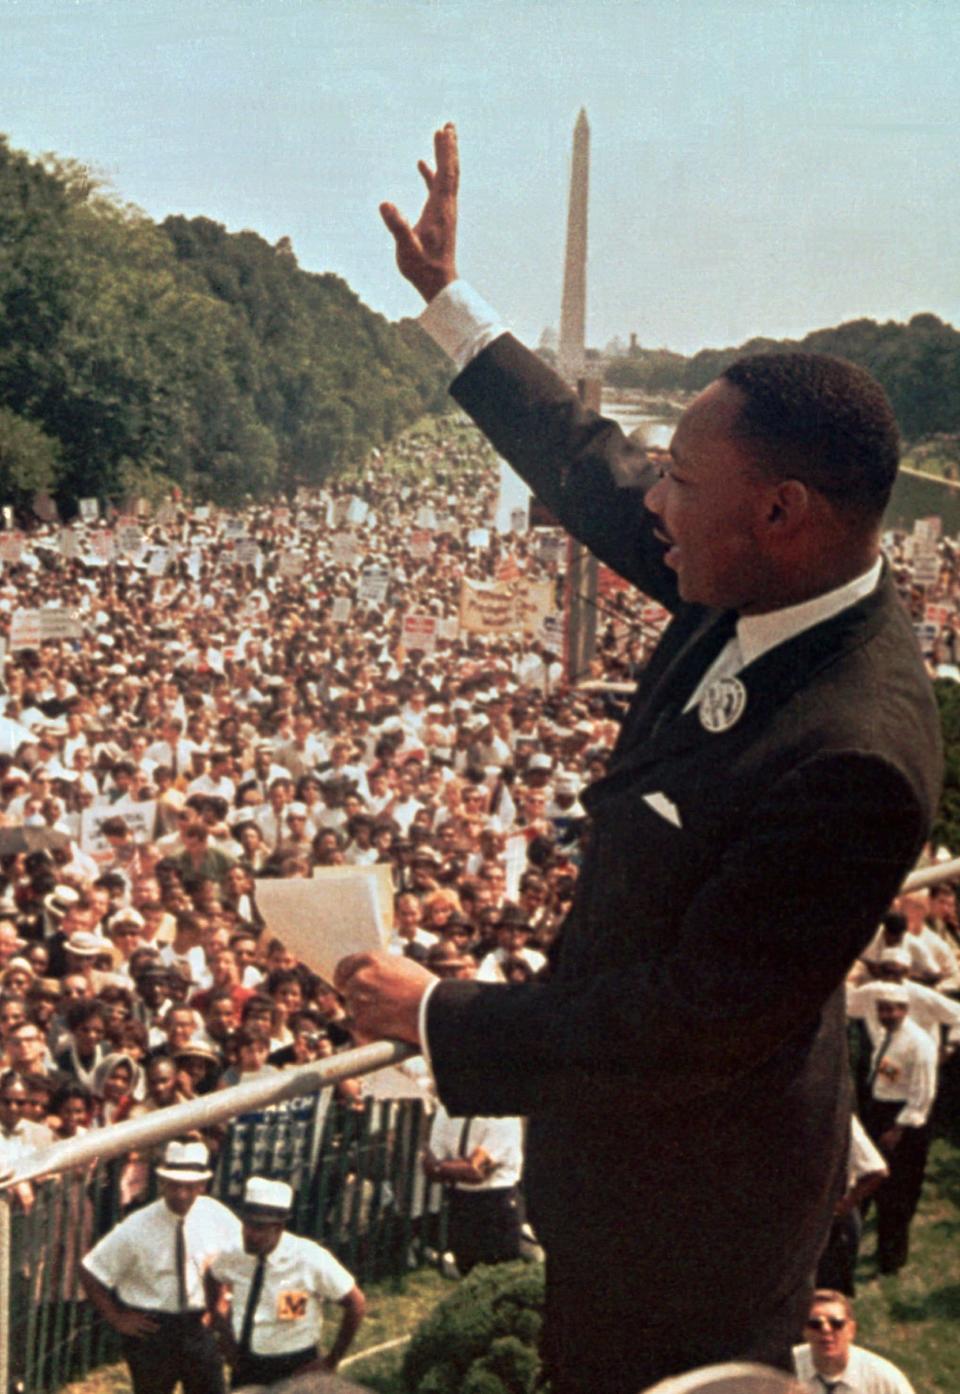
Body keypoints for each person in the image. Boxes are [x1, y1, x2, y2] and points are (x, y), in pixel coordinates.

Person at [335, 125, 943, 1393]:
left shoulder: (853, 758)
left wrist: (441, 1015)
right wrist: (451, 305)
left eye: (679, 476)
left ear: (780, 512)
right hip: (636, 1172)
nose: (649, 503)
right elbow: (586, 464)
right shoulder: (762, 577)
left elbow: (684, 1026)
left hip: (699, 1221)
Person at [80, 1139, 242, 1394]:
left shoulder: (218, 1217)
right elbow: (91, 1269)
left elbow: (241, 1261)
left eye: (189, 1187)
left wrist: (223, 1301)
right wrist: (117, 1317)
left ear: (202, 1186)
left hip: (200, 1324)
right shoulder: (137, 1226)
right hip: (152, 1330)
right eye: (174, 1185)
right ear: (162, 1183)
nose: (181, 1194)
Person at [207, 1176, 365, 1389]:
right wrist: (222, 1327)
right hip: (246, 1362)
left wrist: (331, 1361)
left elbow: (356, 1303)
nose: (250, 1234)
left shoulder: (308, 1258)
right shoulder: (235, 1253)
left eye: (260, 1228)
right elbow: (212, 1277)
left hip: (296, 1364)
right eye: (247, 1224)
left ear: (279, 1227)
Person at [859, 987, 937, 1274]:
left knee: (896, 1191)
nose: (886, 1015)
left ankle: (891, 1258)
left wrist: (898, 1128)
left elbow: (923, 1094)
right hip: (879, 1110)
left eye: (892, 1009)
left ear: (905, 1010)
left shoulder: (920, 1044)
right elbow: (889, 1074)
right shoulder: (887, 1036)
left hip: (903, 1122)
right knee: (871, 1180)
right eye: (882, 1009)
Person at [423, 1101, 523, 1274]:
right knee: (467, 1275)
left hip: (497, 1205)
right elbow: (429, 1168)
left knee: (499, 1278)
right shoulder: (445, 1111)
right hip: (460, 1203)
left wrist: (441, 1166)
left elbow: (475, 1170)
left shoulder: (504, 1116)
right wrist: (455, 1168)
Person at [792, 1289, 915, 1392]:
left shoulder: (884, 1380)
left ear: (851, 1330)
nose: (826, 1330)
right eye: (815, 1324)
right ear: (804, 1330)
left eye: (836, 1323)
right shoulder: (786, 1366)